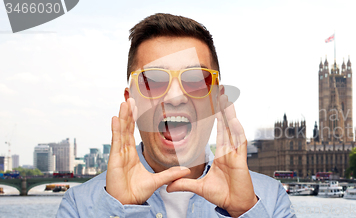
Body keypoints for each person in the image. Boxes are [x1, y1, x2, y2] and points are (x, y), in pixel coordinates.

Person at [56, 13, 294, 218]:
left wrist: (244, 212)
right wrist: (119, 209)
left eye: (197, 80)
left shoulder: (268, 200)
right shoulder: (80, 205)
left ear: (217, 100)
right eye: (152, 81)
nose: (175, 96)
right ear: (131, 101)